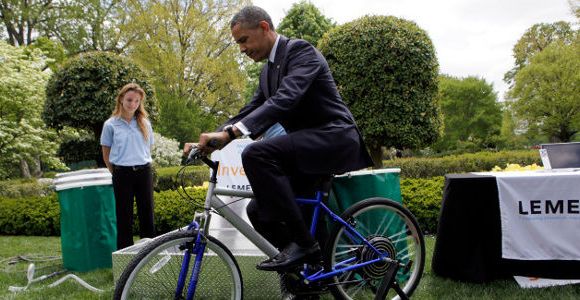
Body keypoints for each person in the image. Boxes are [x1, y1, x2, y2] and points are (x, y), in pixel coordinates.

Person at [185, 5, 372, 272]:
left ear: (263, 27)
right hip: (306, 147)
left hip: (335, 137)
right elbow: (249, 112)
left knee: (256, 154)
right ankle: (309, 273)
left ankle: (305, 245)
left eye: (243, 40)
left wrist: (231, 134)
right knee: (257, 210)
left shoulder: (300, 51)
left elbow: (285, 100)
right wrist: (210, 138)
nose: (242, 49)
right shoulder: (266, 72)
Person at [101, 83, 156, 250]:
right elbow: (106, 153)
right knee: (124, 215)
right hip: (122, 174)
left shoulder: (145, 123)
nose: (133, 104)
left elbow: (148, 148)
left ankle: (151, 250)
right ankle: (125, 255)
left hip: (144, 172)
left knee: (147, 213)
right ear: (121, 100)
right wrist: (116, 171)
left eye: (137, 101)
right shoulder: (110, 125)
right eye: (129, 100)